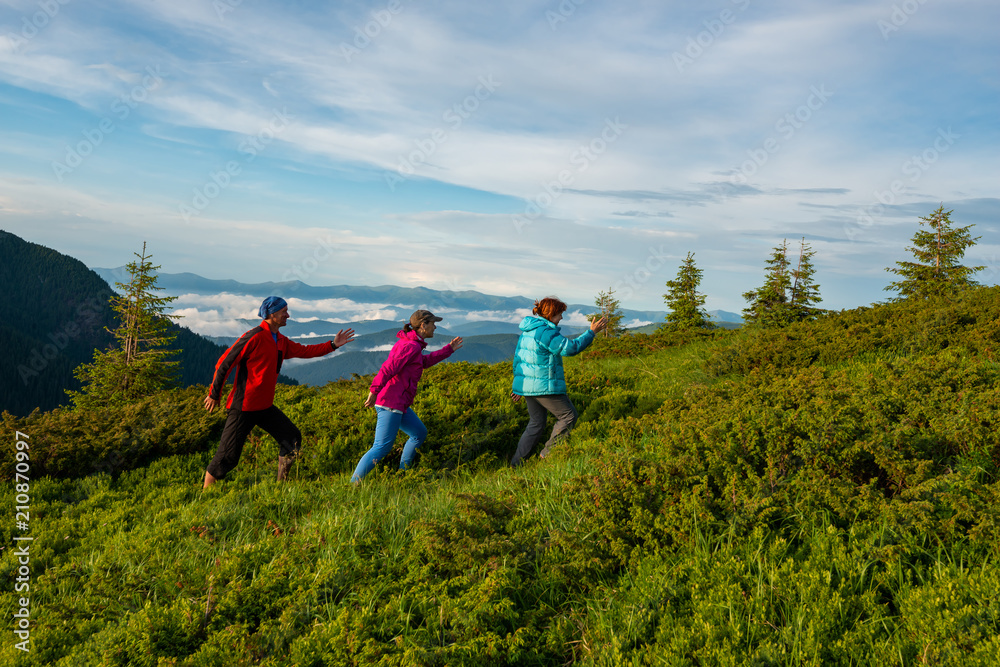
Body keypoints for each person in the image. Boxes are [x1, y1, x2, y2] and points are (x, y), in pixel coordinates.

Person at [202, 296, 356, 488]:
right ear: (272, 314)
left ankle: (281, 486)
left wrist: (332, 345)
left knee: (292, 439)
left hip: (265, 407)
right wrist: (214, 394)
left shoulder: (281, 341)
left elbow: (305, 351)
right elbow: (224, 363)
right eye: (284, 312)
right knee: (227, 457)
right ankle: (205, 495)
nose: (288, 315)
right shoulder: (254, 337)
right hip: (244, 406)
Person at [351, 310, 463, 483]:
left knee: (419, 433)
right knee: (381, 447)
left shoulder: (413, 345)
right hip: (390, 403)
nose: (435, 326)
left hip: (399, 403)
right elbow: (388, 368)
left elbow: (423, 363)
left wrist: (448, 350)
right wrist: (374, 391)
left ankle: (404, 475)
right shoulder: (409, 346)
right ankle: (353, 484)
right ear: (423, 325)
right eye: (433, 323)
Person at [509, 297, 607, 467]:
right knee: (568, 416)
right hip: (545, 386)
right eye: (560, 313)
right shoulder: (545, 332)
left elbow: (519, 360)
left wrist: (518, 388)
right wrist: (591, 332)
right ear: (551, 313)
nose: (561, 317)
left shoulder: (528, 330)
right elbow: (570, 348)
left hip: (529, 388)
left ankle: (516, 464)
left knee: (536, 424)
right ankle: (546, 456)